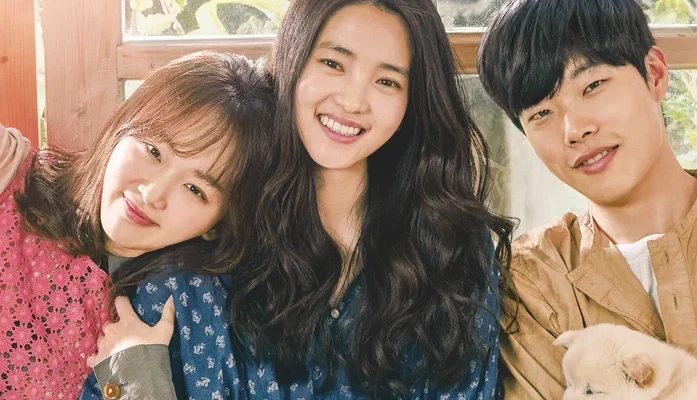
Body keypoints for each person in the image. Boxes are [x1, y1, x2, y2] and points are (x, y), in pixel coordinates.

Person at [81, 0, 515, 398]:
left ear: (412, 100)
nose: (352, 101)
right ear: (291, 59)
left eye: (387, 80)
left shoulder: (453, 248)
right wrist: (138, 381)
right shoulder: (195, 267)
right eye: (333, 63)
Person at [0, 50, 272, 399]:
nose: (153, 193)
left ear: (218, 224)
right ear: (123, 125)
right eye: (153, 151)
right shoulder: (14, 176)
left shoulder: (191, 315)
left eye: (195, 189)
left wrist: (139, 378)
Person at [477, 0, 697, 399]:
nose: (574, 129)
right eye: (541, 113)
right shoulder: (533, 281)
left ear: (655, 74)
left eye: (592, 86)